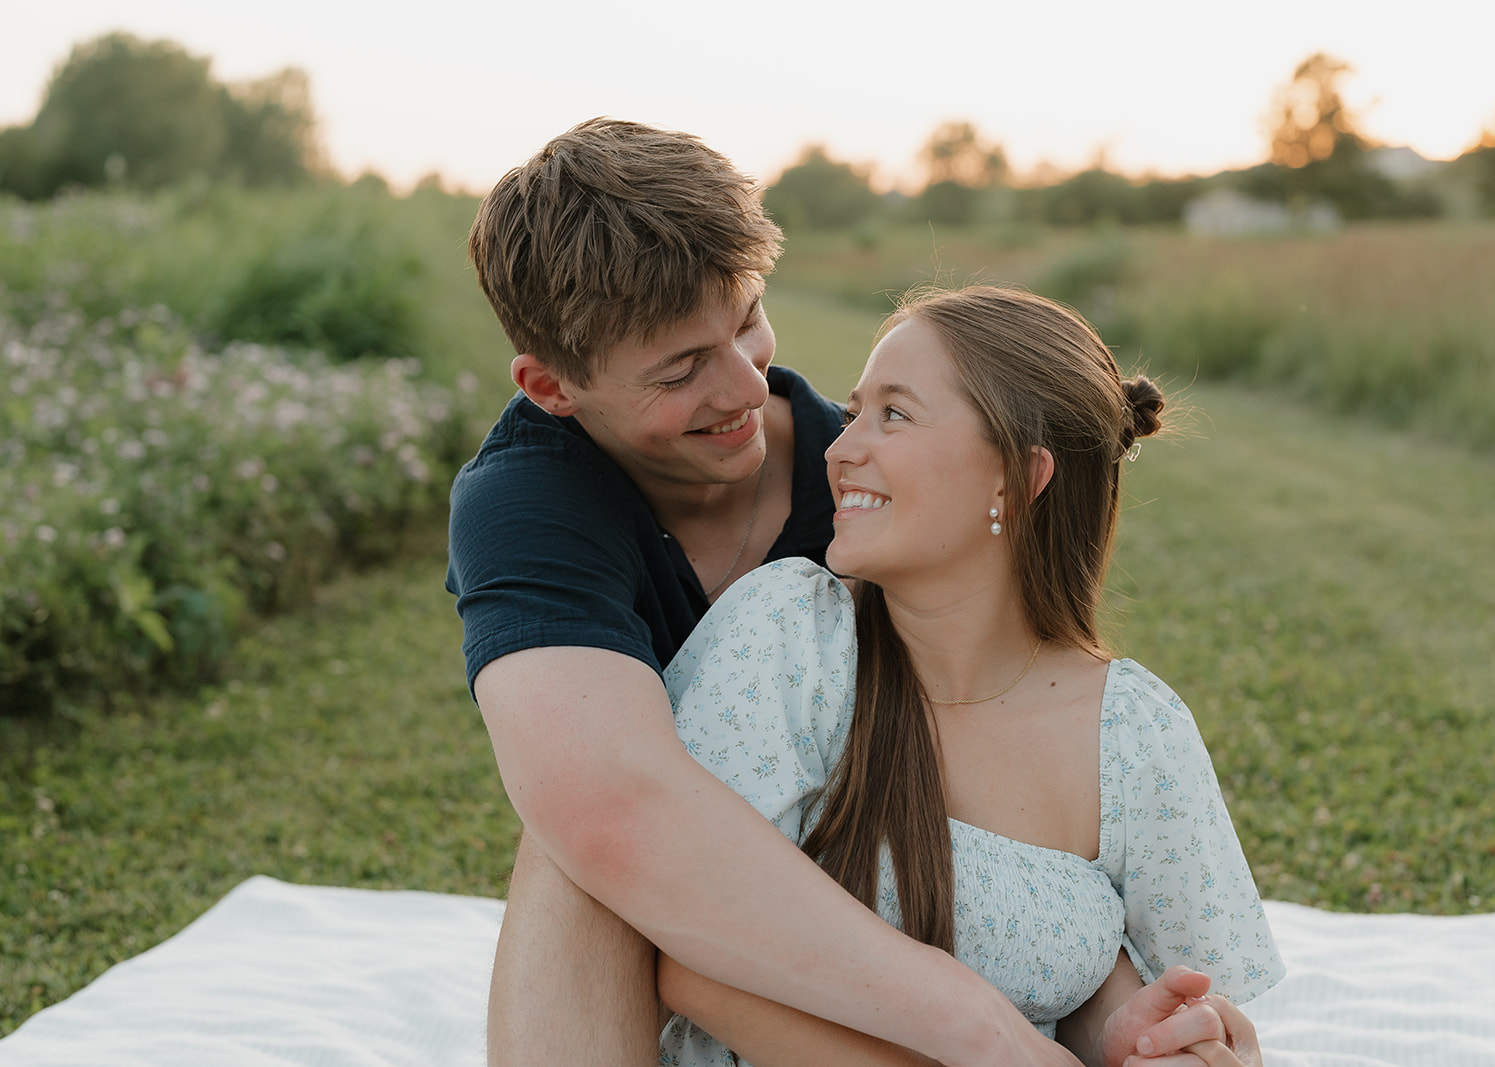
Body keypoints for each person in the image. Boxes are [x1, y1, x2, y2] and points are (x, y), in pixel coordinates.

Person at [448, 120, 1207, 1066]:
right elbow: (616, 813)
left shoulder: (867, 494)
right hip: (673, 930)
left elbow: (1007, 804)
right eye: (681, 370)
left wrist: (1116, 1014)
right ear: (552, 387)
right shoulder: (529, 501)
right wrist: (976, 1028)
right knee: (573, 825)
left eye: (748, 318)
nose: (742, 384)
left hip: (878, 888)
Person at [653, 285, 1286, 1066]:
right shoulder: (791, 635)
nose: (838, 448)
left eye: (894, 414)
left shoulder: (1133, 731)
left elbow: (1166, 1002)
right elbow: (694, 966)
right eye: (855, 413)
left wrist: (1157, 1043)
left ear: (1018, 480)